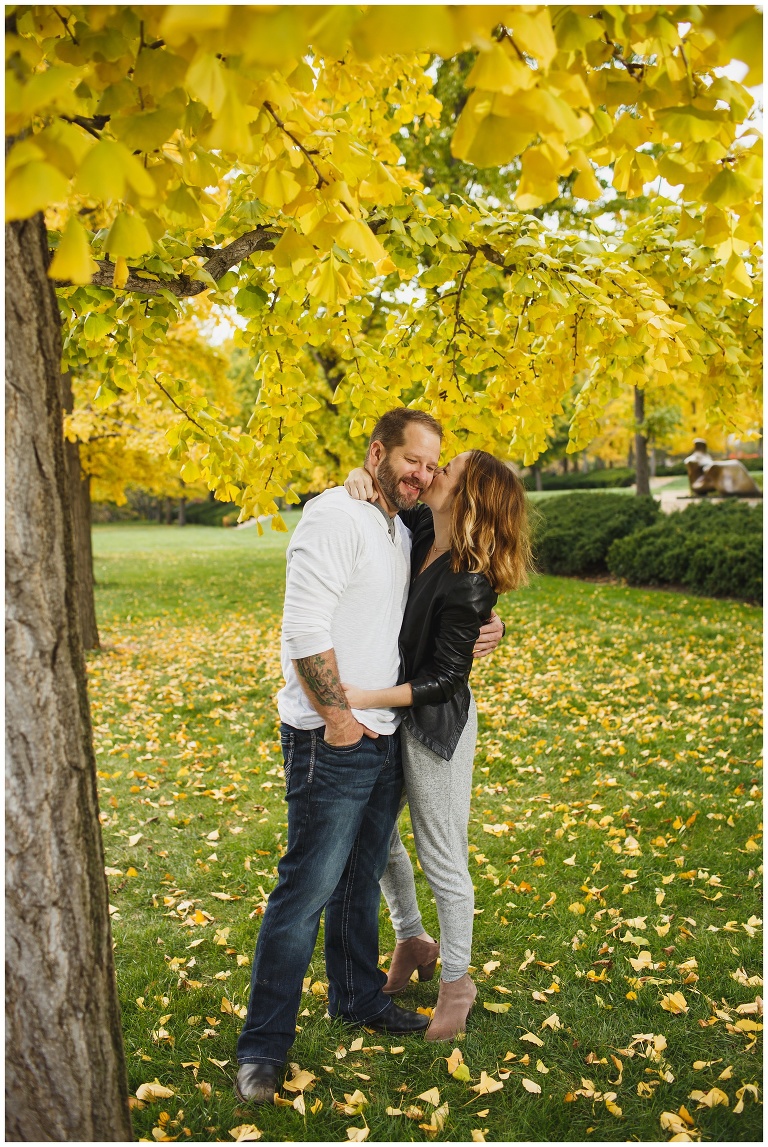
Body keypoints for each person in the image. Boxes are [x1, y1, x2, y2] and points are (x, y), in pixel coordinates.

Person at [235, 410, 503, 1105]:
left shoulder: (400, 523)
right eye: (413, 460)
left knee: (360, 879)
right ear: (378, 453)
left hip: (390, 728)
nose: (424, 474)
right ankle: (263, 1047)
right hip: (336, 732)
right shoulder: (339, 514)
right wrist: (338, 717)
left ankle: (356, 998)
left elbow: (456, 583)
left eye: (433, 465)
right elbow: (302, 627)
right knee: (305, 890)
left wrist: (487, 622)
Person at [343, 449, 531, 1040]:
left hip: (434, 729)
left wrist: (363, 697)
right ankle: (412, 939)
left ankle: (458, 982)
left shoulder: (470, 583)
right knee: (373, 835)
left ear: (468, 495)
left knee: (441, 854)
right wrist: (355, 477)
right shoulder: (421, 527)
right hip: (390, 713)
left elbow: (445, 679)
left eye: (445, 469)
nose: (433, 473)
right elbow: (360, 500)